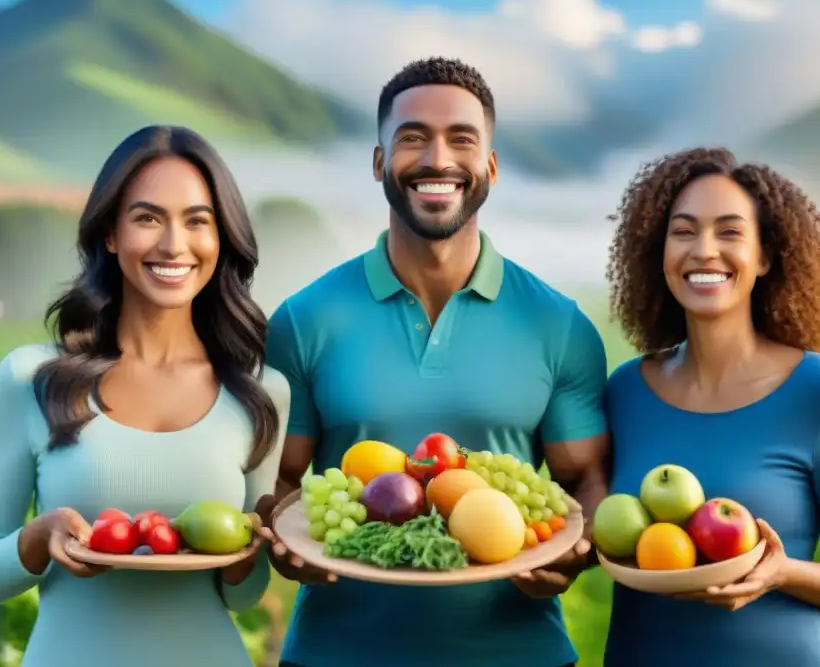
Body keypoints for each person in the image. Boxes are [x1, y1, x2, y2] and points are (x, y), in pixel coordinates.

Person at [261, 57, 609, 667]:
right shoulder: (303, 319)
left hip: (519, 653)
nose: (438, 159)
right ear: (379, 163)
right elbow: (282, 481)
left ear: (491, 168)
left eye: (462, 140)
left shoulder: (559, 326)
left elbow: (587, 482)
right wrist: (284, 543)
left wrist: (572, 555)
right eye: (413, 137)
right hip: (336, 654)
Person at [0, 125, 290, 666]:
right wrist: (37, 538)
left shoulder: (260, 394)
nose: (173, 244)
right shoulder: (32, 378)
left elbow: (243, 594)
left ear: (221, 238)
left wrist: (247, 554)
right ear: (111, 234)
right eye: (147, 218)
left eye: (197, 221)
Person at [601, 146, 820, 666]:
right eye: (684, 231)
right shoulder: (625, 391)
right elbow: (598, 527)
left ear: (764, 256)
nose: (704, 250)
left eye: (730, 231)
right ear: (659, 252)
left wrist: (782, 572)